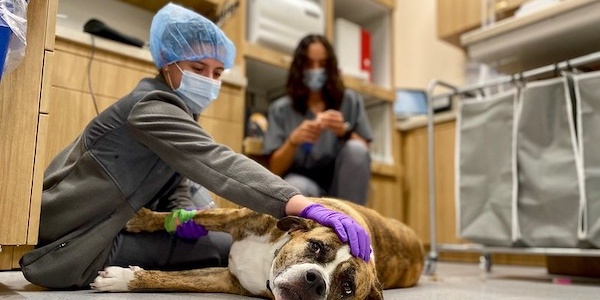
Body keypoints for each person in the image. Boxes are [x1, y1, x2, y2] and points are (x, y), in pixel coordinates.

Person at [19, 4, 370, 289]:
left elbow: (177, 186)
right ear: (167, 64)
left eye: (218, 73)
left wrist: (182, 215)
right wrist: (300, 204)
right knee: (224, 252)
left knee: (218, 241)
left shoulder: (180, 114)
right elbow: (216, 162)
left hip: (112, 223)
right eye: (198, 67)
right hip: (78, 237)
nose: (209, 80)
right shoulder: (150, 107)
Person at [263, 34, 373, 206]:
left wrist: (345, 132)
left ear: (331, 67)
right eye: (309, 64)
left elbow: (364, 154)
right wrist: (293, 141)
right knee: (296, 186)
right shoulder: (281, 109)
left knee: (356, 149)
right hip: (302, 185)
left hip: (342, 189)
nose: (315, 70)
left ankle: (350, 226)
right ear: (299, 67)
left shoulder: (350, 101)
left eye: (322, 64)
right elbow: (274, 169)